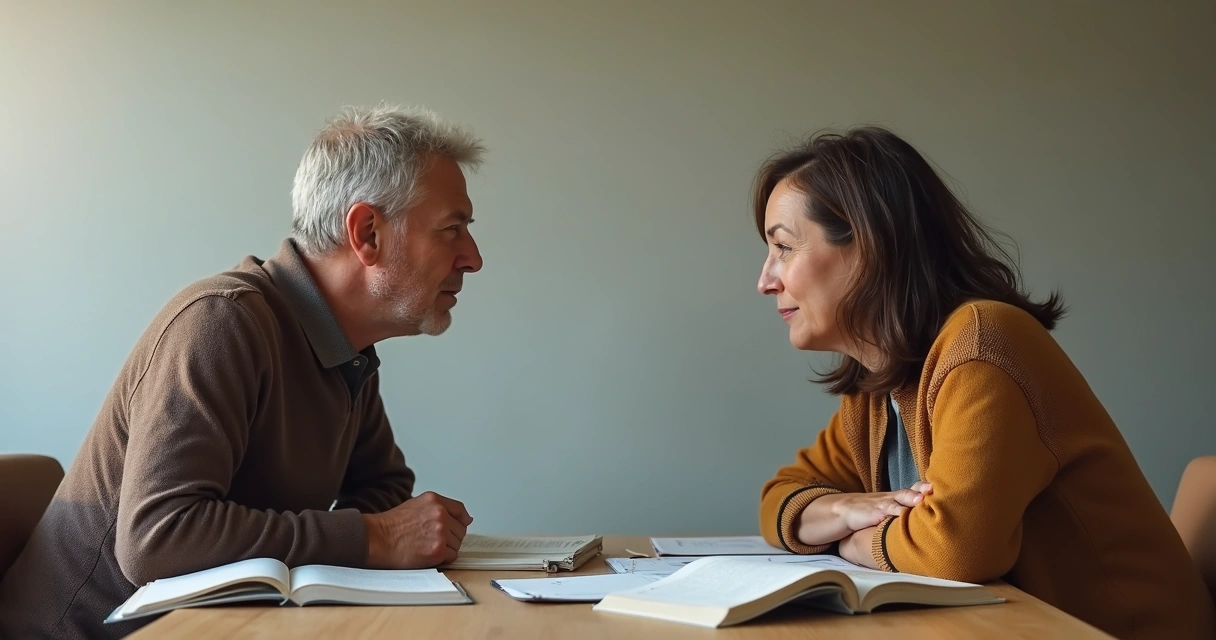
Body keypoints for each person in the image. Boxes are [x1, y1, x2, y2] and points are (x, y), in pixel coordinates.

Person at [0, 105, 485, 639]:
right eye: (452, 229)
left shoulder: (345, 346)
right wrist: (372, 539)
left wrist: (375, 536)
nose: (473, 257)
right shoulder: (221, 322)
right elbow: (157, 538)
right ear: (367, 232)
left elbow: (385, 486)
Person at [753, 126, 1215, 639]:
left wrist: (848, 539)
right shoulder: (879, 385)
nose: (766, 279)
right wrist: (840, 507)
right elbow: (781, 497)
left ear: (870, 247)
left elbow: (954, 550)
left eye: (784, 248)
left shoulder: (982, 345)